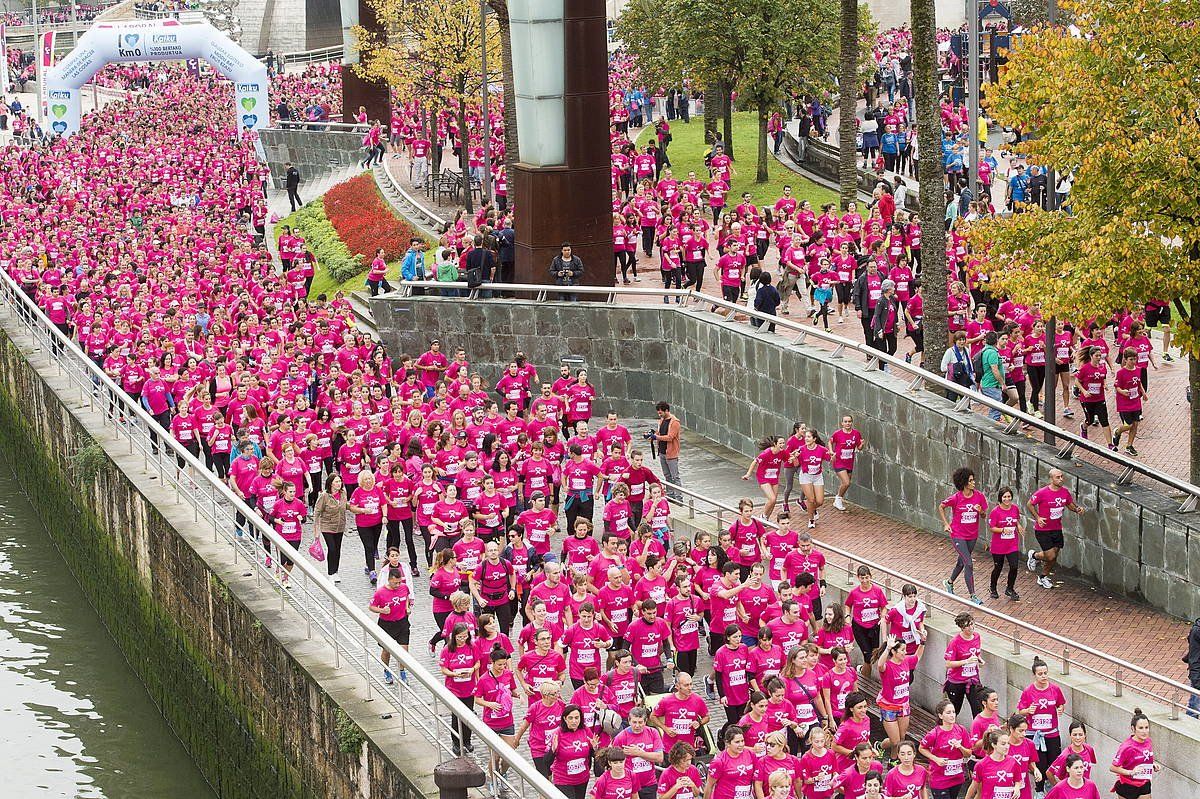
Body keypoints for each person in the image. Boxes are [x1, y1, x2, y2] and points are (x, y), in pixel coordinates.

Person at [1025, 469, 1083, 591]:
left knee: (1054, 555)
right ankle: (1034, 555)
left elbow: (1069, 504)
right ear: (1051, 479)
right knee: (1050, 556)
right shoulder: (1042, 493)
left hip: (1056, 529)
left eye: (1062, 476)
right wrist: (1038, 517)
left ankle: (1043, 577)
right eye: (1058, 477)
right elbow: (1029, 504)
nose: (1061, 479)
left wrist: (1077, 509)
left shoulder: (1065, 492)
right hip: (1042, 529)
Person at [938, 467, 987, 605]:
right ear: (964, 482)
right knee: (969, 563)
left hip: (972, 535)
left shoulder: (979, 496)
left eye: (973, 480)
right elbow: (941, 506)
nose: (974, 483)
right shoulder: (956, 497)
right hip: (958, 535)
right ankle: (973, 596)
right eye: (971, 480)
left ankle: (949, 582)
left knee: (962, 562)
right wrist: (946, 524)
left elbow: (984, 515)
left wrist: (981, 511)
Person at [1018, 656, 1067, 795]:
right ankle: (1039, 792)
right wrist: (1028, 711)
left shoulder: (1055, 689)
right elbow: (1020, 711)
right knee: (1039, 764)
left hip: (1052, 733)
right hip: (1035, 735)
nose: (1043, 676)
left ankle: (1052, 790)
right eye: (1040, 674)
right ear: (1034, 675)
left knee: (1053, 764)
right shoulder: (1028, 691)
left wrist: (1060, 709)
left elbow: (1061, 703)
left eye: (1045, 673)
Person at [920, 699, 974, 799]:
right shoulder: (934, 734)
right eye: (948, 713)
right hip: (939, 779)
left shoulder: (961, 730)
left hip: (956, 777)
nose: (952, 715)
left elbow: (969, 753)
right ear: (940, 716)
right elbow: (922, 748)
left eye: (953, 712)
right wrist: (936, 759)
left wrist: (960, 747)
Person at [367, 567, 412, 686]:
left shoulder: (404, 587)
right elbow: (371, 607)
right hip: (386, 625)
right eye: (395, 582)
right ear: (389, 580)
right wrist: (382, 610)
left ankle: (402, 672)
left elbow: (406, 597)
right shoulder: (380, 592)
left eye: (399, 582)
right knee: (387, 651)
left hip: (402, 622)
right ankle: (386, 670)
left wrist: (407, 607)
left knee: (404, 650)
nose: (398, 585)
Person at [1109, 708, 1160, 799]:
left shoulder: (1148, 741)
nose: (1144, 731)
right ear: (1133, 729)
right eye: (1140, 728)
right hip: (1127, 786)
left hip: (1144, 783)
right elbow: (1113, 768)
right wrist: (1130, 772)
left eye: (1146, 727)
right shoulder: (1127, 747)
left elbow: (1143, 759)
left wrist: (1152, 765)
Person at [943, 612, 985, 718]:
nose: (971, 628)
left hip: (972, 680)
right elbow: (948, 663)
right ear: (962, 628)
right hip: (957, 681)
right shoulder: (955, 642)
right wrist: (966, 661)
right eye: (967, 626)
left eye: (972, 624)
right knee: (954, 710)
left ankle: (978, 733)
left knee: (978, 710)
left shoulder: (977, 637)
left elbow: (976, 653)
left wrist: (979, 660)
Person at [987, 487, 1024, 601]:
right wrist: (1003, 530)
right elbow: (992, 528)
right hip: (999, 545)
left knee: (1014, 566)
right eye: (1004, 497)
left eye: (1009, 496)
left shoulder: (1015, 509)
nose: (1007, 499)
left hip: (1012, 544)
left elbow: (1015, 519)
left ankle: (1010, 588)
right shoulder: (995, 512)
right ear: (1000, 498)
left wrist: (1018, 526)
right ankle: (993, 588)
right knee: (998, 567)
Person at [313, 473, 349, 581]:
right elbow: (317, 511)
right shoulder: (324, 496)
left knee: (337, 549)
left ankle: (335, 571)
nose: (339, 484)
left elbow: (346, 505)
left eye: (340, 481)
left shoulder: (343, 493)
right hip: (327, 526)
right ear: (331, 483)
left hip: (340, 525)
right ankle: (330, 572)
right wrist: (316, 530)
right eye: (336, 481)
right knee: (332, 548)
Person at [828, 415, 864, 513]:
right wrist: (831, 451)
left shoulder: (856, 434)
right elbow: (830, 442)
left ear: (852, 423)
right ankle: (838, 499)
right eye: (845, 422)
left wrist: (861, 445)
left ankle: (837, 499)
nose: (848, 423)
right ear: (842, 423)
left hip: (849, 461)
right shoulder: (837, 434)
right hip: (839, 461)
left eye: (849, 421)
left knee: (846, 484)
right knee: (846, 482)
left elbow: (859, 447)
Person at [653, 401, 682, 500]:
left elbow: (670, 437)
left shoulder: (675, 422)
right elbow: (659, 433)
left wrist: (656, 437)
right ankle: (670, 497)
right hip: (662, 452)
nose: (659, 414)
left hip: (671, 454)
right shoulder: (661, 420)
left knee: (675, 477)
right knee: (667, 476)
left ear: (666, 410)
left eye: (661, 412)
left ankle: (679, 498)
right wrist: (652, 435)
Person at [1186, 617, 1200, 719]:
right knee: (1194, 708)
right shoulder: (1197, 631)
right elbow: (1194, 659)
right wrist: (1197, 682)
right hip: (1198, 678)